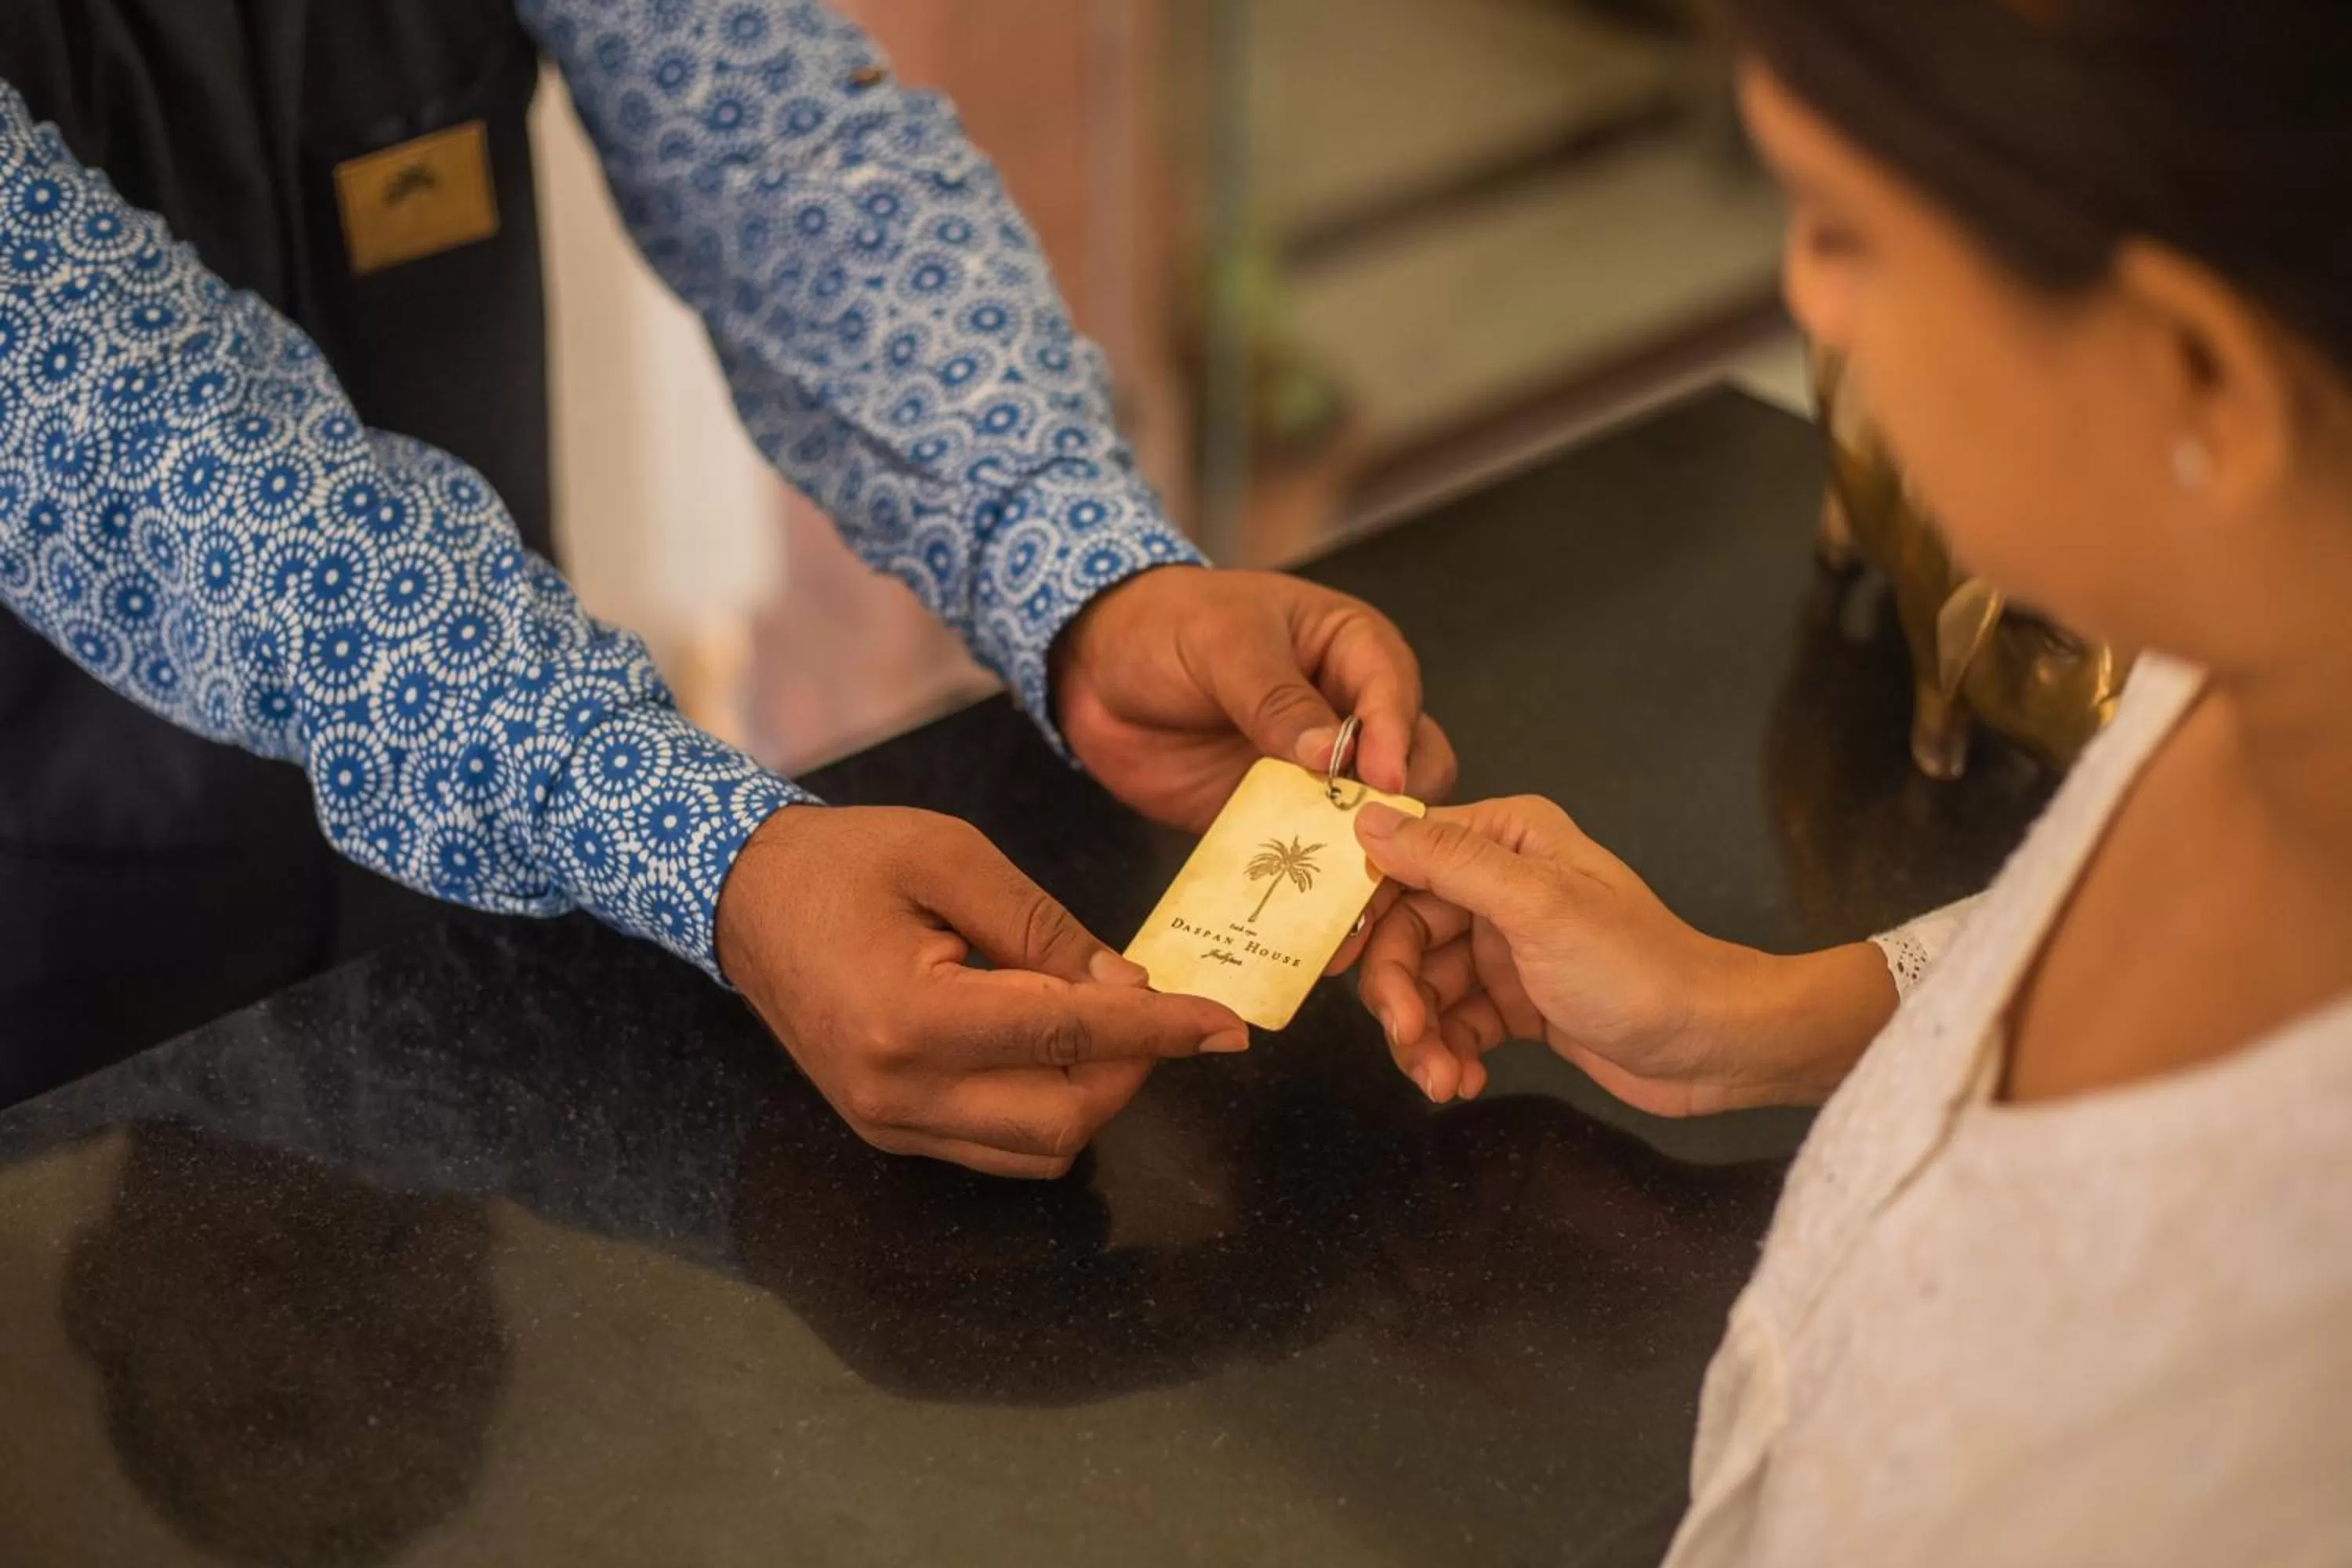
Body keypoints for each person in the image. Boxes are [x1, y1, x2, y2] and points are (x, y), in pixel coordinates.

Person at [0, 0, 1455, 1170]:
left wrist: (1076, 563)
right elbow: (117, 423)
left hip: (489, 925)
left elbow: (776, 140)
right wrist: (697, 840)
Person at [1345, 0, 2352, 1559]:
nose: (1806, 297)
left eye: (1847, 229)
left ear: (2198, 373)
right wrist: (1755, 1017)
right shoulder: (2245, 643)